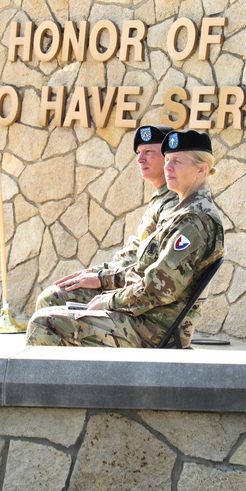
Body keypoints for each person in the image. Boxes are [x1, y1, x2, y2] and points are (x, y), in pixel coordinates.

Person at [26, 129, 225, 348]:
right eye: (167, 159)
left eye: (177, 161)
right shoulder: (182, 211)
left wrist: (108, 301)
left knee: (45, 324)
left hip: (153, 328)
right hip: (144, 316)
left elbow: (158, 288)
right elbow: (144, 269)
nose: (168, 167)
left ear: (201, 169)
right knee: (52, 307)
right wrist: (105, 279)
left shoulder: (193, 220)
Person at [35, 125, 178, 309]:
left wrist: (102, 279)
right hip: (126, 283)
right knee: (58, 292)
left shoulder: (173, 203)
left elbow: (150, 267)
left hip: (139, 298)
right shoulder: (161, 197)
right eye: (138, 152)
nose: (140, 159)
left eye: (148, 152)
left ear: (168, 157)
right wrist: (98, 272)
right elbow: (135, 252)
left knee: (52, 300)